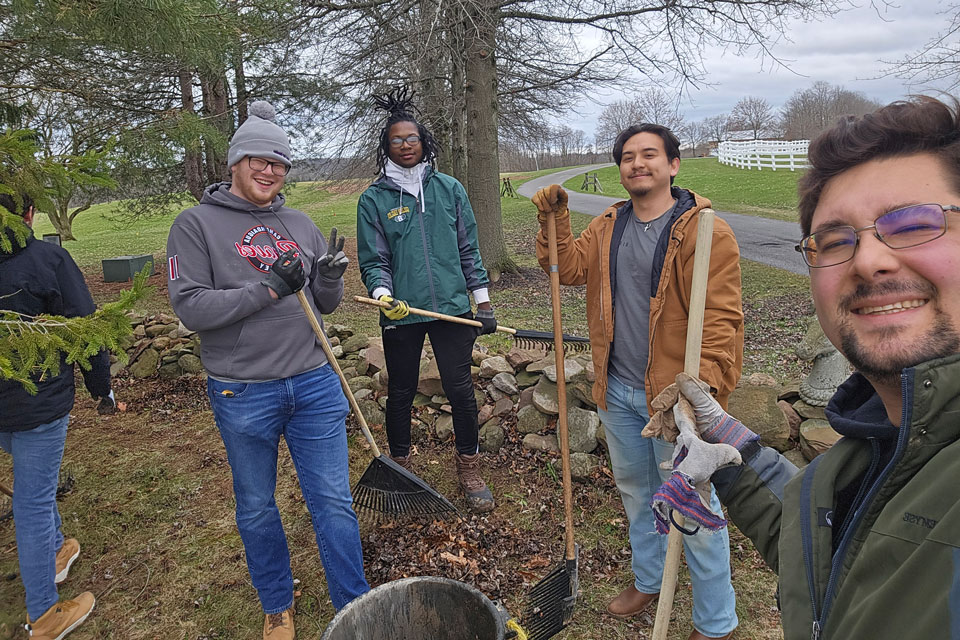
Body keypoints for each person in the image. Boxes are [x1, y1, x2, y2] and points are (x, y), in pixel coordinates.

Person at [654, 95, 960, 640]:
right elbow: (827, 554)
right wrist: (733, 454)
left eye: (915, 223)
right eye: (836, 240)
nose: (868, 259)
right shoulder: (866, 452)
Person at [531, 123, 743, 640]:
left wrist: (701, 394)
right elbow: (566, 267)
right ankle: (649, 580)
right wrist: (554, 217)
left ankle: (715, 622)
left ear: (673, 165)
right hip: (618, 390)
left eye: (649, 155)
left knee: (693, 505)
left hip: (675, 399)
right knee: (636, 491)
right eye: (628, 157)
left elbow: (720, 320)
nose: (637, 163)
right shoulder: (608, 225)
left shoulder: (704, 229)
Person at [166, 101, 368, 640]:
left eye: (279, 163)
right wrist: (268, 288)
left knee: (332, 500)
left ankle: (357, 605)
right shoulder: (195, 226)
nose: (269, 171)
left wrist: (328, 277)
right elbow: (191, 309)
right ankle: (277, 603)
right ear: (235, 161)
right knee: (256, 505)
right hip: (243, 392)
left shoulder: (298, 222)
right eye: (258, 158)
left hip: (314, 382)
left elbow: (323, 305)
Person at [356, 87, 498, 513]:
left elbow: (469, 249)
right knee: (400, 390)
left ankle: (469, 470)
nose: (404, 145)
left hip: (452, 309)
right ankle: (401, 469)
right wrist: (383, 295)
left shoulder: (449, 189)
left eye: (411, 138)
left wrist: (483, 302)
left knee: (461, 391)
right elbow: (374, 258)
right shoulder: (374, 199)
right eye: (396, 139)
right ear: (386, 146)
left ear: (424, 142)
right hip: (402, 312)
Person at [0, 192, 116, 638]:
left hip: (12, 411)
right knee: (31, 501)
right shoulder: (48, 260)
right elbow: (85, 328)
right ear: (29, 215)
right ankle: (44, 614)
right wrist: (101, 389)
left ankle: (53, 549)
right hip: (37, 405)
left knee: (36, 484)